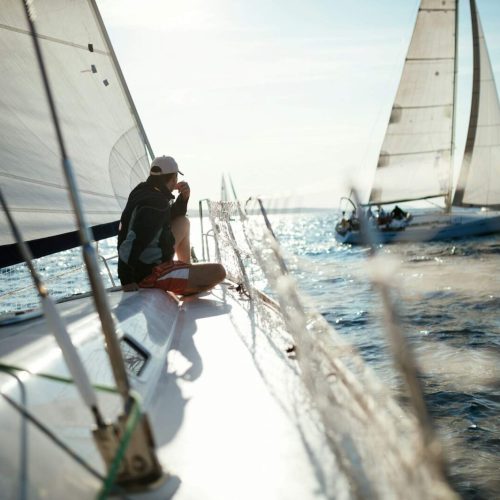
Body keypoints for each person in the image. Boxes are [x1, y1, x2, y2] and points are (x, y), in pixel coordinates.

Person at [117, 155, 226, 295]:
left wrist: (183, 198)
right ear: (174, 178)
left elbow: (168, 216)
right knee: (219, 272)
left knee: (183, 222)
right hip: (150, 273)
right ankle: (187, 285)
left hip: (146, 262)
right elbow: (131, 243)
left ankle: (186, 271)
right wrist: (127, 280)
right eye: (176, 178)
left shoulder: (143, 191)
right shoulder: (155, 204)